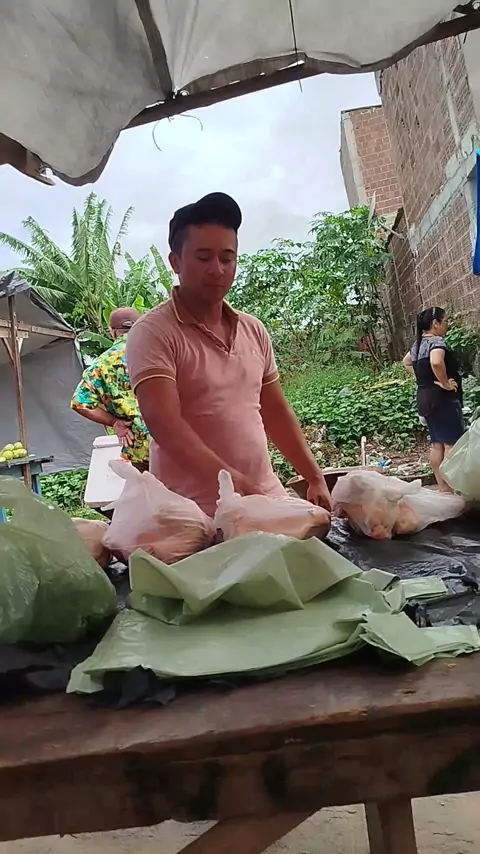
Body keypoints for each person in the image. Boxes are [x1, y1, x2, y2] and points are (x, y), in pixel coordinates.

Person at [126, 192, 331, 516]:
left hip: (263, 495)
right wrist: (234, 483)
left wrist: (314, 477)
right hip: (191, 513)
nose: (217, 269)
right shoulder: (153, 333)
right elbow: (164, 424)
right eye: (203, 257)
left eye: (227, 257)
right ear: (175, 262)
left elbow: (275, 412)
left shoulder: (253, 330)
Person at [71, 307, 150, 472]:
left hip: (141, 450)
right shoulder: (163, 351)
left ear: (112, 332)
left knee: (149, 488)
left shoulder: (103, 364)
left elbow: (80, 403)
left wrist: (114, 422)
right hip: (178, 443)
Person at [403, 306, 464, 491]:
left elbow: (406, 362)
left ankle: (443, 488)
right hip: (442, 399)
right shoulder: (437, 341)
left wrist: (425, 379)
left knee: (436, 444)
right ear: (435, 323)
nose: (447, 324)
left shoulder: (418, 344)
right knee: (451, 444)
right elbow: (436, 362)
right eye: (445, 321)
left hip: (425, 398)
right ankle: (453, 488)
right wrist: (445, 383)